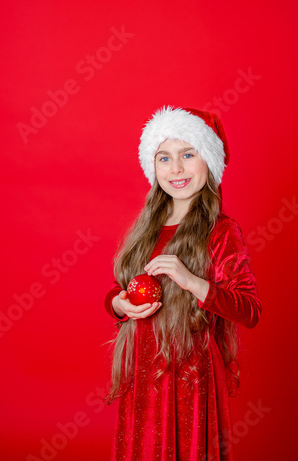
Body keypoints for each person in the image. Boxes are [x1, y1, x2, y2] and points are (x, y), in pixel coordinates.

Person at [104, 106, 262, 461]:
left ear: (209, 161)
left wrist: (192, 281)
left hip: (191, 381)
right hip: (143, 377)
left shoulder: (221, 231)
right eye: (164, 158)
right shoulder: (146, 229)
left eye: (188, 154)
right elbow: (118, 289)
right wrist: (119, 304)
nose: (176, 168)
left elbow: (250, 310)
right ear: (153, 167)